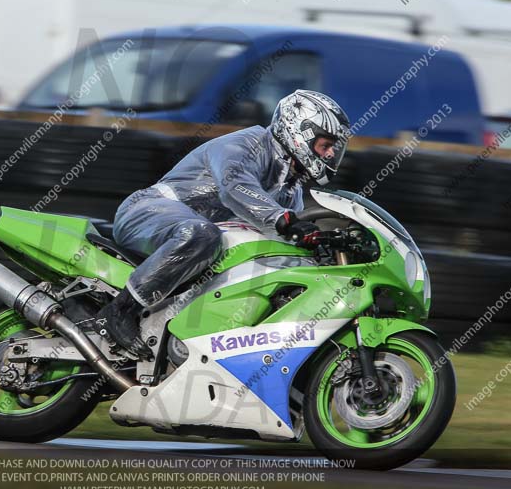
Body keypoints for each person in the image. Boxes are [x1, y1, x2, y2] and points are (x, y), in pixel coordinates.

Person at [95, 90, 351, 358]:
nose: (331, 153)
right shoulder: (247, 143)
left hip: (200, 243)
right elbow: (235, 186)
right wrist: (283, 220)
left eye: (334, 147)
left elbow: (279, 237)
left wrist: (316, 248)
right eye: (326, 144)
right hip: (148, 209)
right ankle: (119, 311)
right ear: (299, 131)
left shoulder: (290, 189)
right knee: (202, 234)